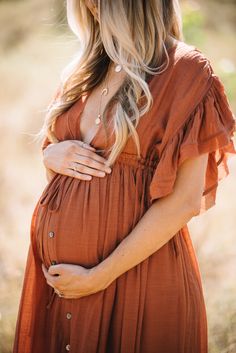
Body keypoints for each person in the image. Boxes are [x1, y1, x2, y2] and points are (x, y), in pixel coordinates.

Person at [13, 1, 236, 352]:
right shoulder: (85, 71)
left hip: (137, 283)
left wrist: (97, 277)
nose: (91, 6)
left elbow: (185, 201)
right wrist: (51, 155)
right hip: (63, 291)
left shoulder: (187, 72)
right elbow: (65, 179)